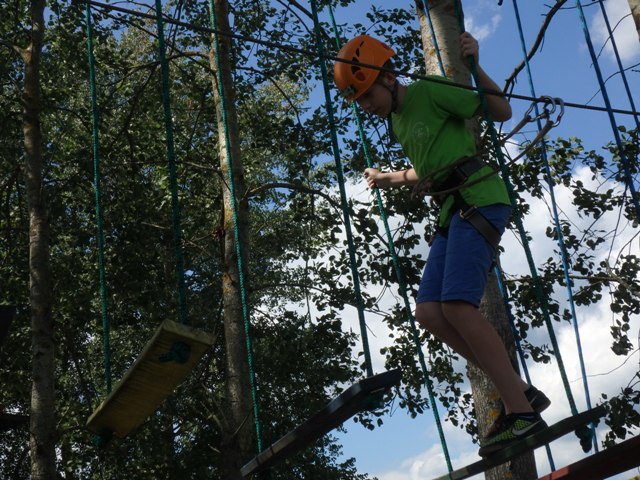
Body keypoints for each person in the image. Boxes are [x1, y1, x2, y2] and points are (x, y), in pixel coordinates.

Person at [333, 32, 550, 456]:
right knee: (429, 312)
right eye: (358, 100)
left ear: (389, 77)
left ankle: (521, 413)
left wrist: (475, 67)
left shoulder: (429, 91)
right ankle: (520, 390)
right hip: (453, 211)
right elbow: (428, 166)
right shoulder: (398, 122)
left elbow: (501, 111)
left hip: (480, 198)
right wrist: (389, 178)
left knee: (457, 307)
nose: (365, 106)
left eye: (367, 94)